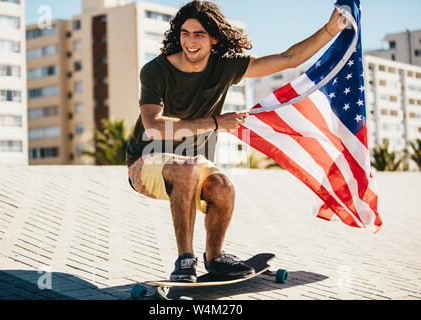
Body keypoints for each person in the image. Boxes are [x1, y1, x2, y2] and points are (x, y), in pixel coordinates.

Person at [126, 0, 345, 282]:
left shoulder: (225, 67)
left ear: (214, 38)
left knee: (223, 188)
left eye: (199, 35)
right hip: (144, 163)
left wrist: (331, 29)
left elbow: (289, 58)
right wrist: (216, 123)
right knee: (187, 168)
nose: (190, 42)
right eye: (185, 33)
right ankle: (184, 261)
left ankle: (214, 258)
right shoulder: (156, 71)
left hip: (191, 163)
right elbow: (153, 126)